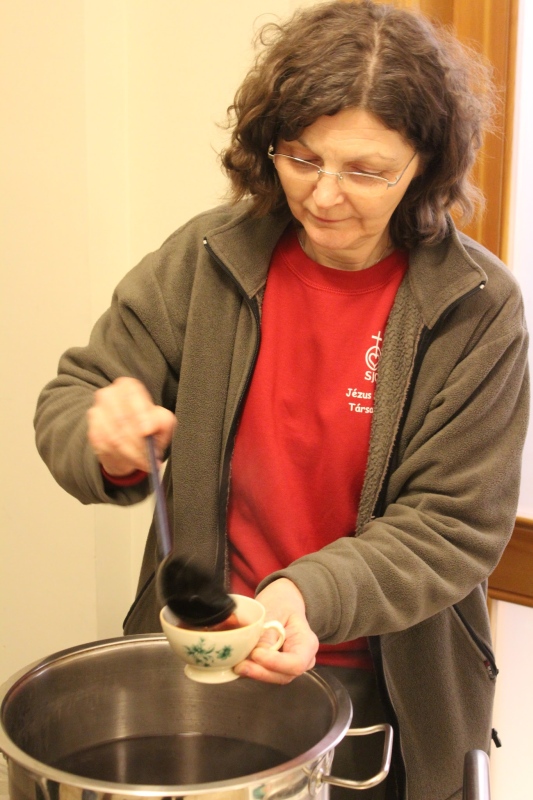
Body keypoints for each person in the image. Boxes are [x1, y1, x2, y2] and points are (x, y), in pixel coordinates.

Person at [34, 2, 529, 799]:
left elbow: (452, 524)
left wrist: (303, 596)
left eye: (366, 171)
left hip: (387, 688)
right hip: (203, 664)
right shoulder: (206, 258)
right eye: (301, 158)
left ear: (425, 166)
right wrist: (102, 433)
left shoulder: (476, 308)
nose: (325, 195)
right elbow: (75, 393)